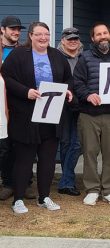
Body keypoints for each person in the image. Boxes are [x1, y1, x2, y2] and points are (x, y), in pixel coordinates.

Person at [2, 21, 73, 214]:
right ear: (31, 36)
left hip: (51, 114)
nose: (43, 38)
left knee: (48, 159)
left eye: (46, 35)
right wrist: (25, 92)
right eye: (39, 34)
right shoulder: (19, 54)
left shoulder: (56, 55)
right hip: (25, 115)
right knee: (24, 159)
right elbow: (6, 77)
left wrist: (67, 91)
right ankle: (17, 199)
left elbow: (68, 78)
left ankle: (44, 197)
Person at [73, 21, 110, 207]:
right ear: (93, 38)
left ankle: (109, 189)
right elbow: (77, 84)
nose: (103, 36)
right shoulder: (84, 58)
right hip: (89, 113)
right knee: (90, 152)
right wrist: (88, 95)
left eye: (105, 33)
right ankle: (92, 189)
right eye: (98, 34)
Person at [0, 15, 36, 202]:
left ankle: (26, 183)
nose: (16, 32)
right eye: (12, 29)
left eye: (18, 29)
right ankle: (8, 184)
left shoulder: (25, 50)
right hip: (2, 105)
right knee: (5, 147)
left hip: (22, 103)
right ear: (2, 30)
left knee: (25, 145)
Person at [57, 27, 83, 196]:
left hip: (81, 105)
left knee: (78, 144)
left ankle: (66, 180)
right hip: (62, 106)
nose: (73, 41)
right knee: (65, 142)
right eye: (69, 38)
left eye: (75, 38)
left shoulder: (85, 57)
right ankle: (67, 181)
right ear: (63, 41)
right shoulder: (56, 57)